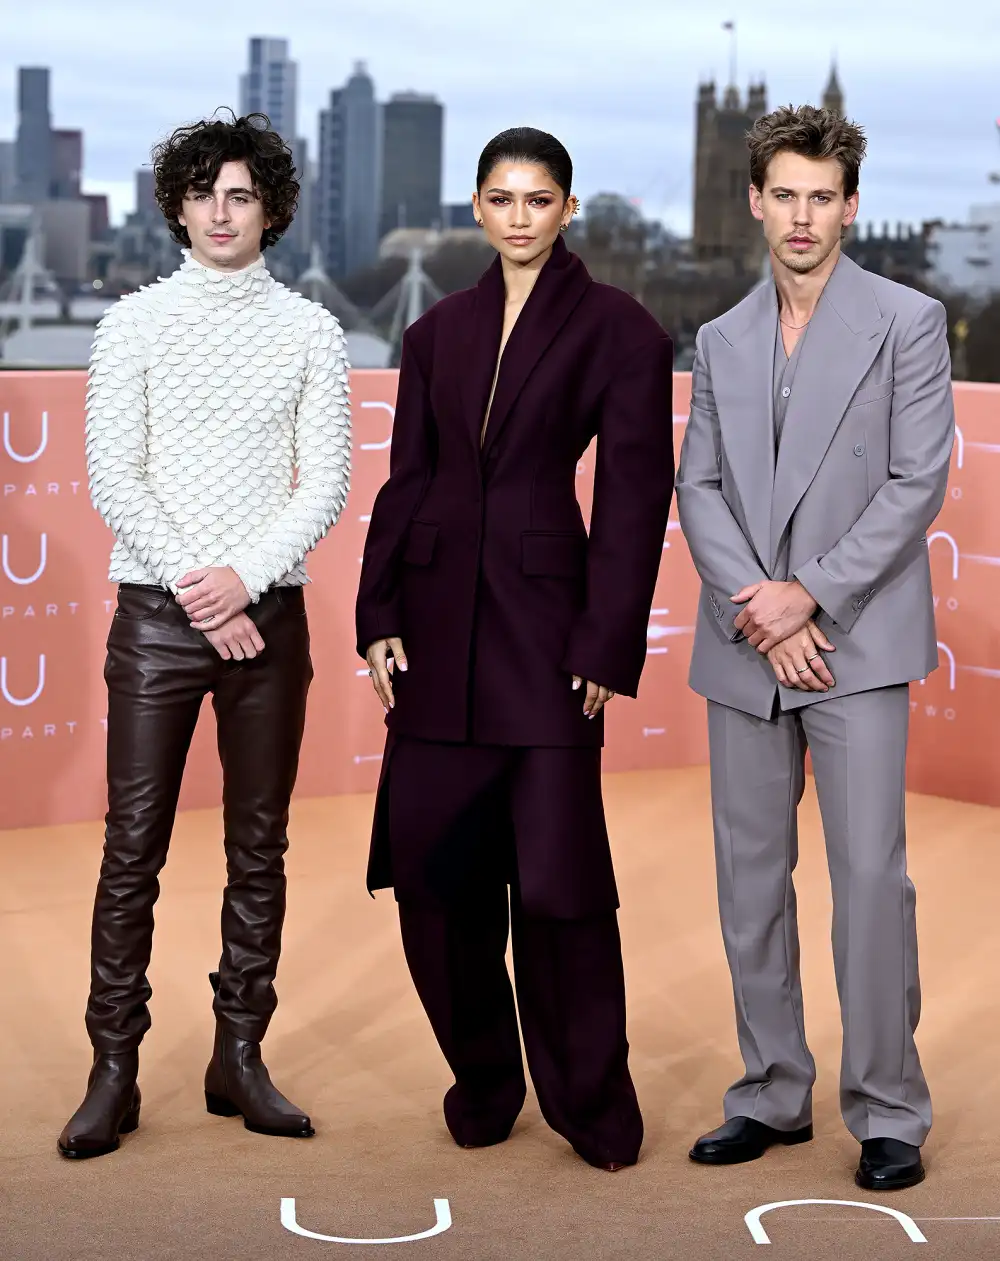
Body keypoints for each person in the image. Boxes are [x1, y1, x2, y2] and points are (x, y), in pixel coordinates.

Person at [355, 127, 673, 1171]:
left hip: (548, 640)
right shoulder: (437, 331)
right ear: (478, 210)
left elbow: (632, 498)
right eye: (501, 198)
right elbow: (406, 481)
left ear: (568, 209)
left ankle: (591, 1103)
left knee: (558, 883)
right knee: (433, 881)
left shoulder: (619, 329)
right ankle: (485, 1080)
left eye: (540, 199)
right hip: (435, 631)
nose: (521, 216)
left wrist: (604, 642)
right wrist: (377, 610)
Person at [58, 112, 351, 1159]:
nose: (221, 212)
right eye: (203, 192)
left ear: (270, 207)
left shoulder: (313, 330)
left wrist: (245, 580)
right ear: (176, 205)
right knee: (131, 846)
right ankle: (114, 1069)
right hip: (159, 622)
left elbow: (325, 481)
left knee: (258, 846)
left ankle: (239, 1055)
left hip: (267, 618)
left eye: (240, 194)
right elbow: (113, 478)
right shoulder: (130, 325)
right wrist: (201, 592)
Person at [676, 105, 954, 1191]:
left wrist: (809, 601)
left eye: (820, 196)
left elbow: (913, 482)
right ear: (755, 200)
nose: (800, 216)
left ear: (849, 204)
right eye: (782, 194)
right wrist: (761, 608)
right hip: (747, 640)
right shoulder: (718, 337)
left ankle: (887, 1108)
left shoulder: (908, 321)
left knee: (870, 880)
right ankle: (771, 1090)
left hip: (854, 642)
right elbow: (695, 485)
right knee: (750, 879)